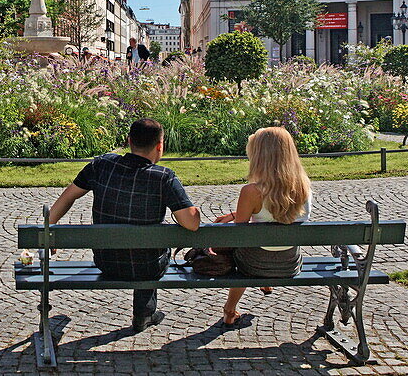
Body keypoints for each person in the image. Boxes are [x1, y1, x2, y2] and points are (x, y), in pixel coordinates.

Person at [48, 118, 200, 332]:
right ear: (160, 145)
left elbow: (68, 196)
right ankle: (144, 313)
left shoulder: (101, 165)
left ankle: (146, 312)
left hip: (107, 261)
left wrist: (49, 229)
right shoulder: (163, 177)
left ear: (129, 141)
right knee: (151, 251)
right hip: (147, 267)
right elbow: (191, 224)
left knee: (145, 247)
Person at [213, 127, 312, 326]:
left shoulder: (251, 191)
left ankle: (229, 309)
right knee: (265, 240)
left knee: (244, 250)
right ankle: (265, 284)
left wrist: (234, 217)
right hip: (289, 263)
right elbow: (280, 216)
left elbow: (240, 234)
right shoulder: (304, 187)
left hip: (254, 264)